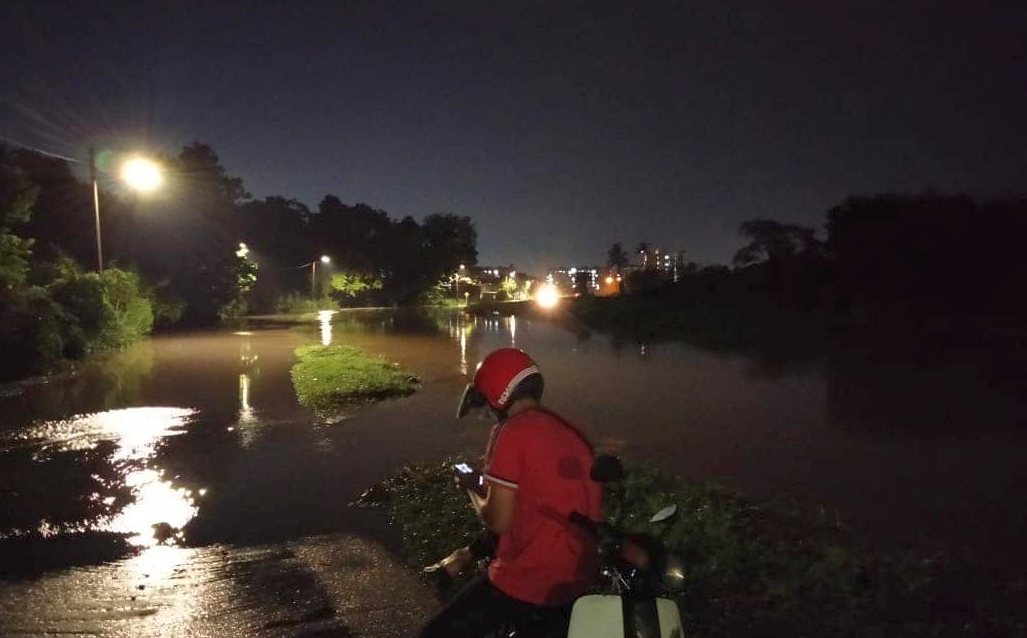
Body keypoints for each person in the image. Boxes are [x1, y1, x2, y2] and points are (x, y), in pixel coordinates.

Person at [418, 348, 602, 638]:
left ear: (497, 398)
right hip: (576, 579)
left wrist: (472, 491)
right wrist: (483, 486)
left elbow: (499, 521)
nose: (490, 415)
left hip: (529, 579)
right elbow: (537, 505)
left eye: (487, 406)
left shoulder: (512, 432)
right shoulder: (571, 434)